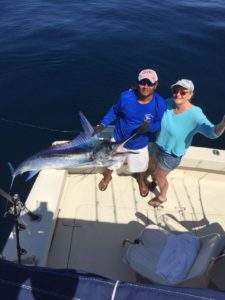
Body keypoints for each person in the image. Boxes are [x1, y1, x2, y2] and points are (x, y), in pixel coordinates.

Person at [148, 79, 225, 207]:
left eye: (183, 92)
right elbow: (151, 106)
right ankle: (155, 181)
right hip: (158, 145)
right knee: (156, 170)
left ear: (190, 95)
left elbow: (212, 133)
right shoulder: (167, 103)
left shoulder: (195, 114)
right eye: (175, 91)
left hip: (171, 155)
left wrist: (223, 124)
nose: (178, 94)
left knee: (160, 176)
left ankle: (162, 197)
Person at [94, 69, 166, 196]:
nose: (145, 86)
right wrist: (102, 124)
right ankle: (108, 176)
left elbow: (160, 124)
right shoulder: (125, 96)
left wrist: (148, 128)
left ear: (156, 85)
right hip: (118, 139)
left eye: (149, 83)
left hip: (140, 144)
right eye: (142, 82)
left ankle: (141, 180)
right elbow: (114, 111)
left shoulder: (159, 104)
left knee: (141, 167)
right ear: (137, 82)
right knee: (112, 163)